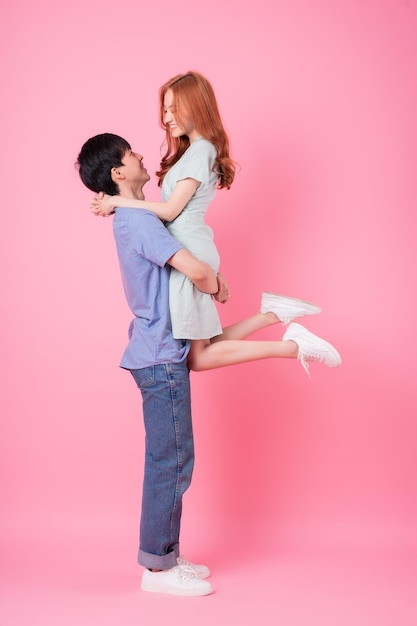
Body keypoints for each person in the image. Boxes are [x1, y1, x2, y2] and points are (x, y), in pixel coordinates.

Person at [91, 71, 341, 377]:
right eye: (164, 110)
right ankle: (275, 314)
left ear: (195, 105)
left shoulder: (202, 150)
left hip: (189, 252)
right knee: (203, 349)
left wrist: (117, 201)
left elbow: (170, 211)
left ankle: (293, 346)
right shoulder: (193, 151)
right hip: (189, 250)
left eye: (173, 109)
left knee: (199, 357)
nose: (166, 118)